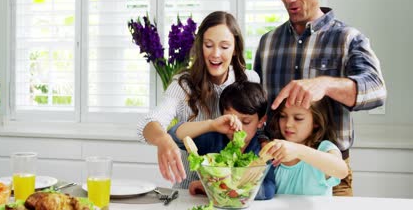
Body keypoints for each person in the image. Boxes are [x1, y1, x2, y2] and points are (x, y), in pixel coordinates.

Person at [253, 0, 386, 196]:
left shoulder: (348, 38)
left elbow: (377, 91)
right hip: (275, 170)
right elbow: (259, 107)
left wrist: (325, 84)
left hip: (330, 175)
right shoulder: (267, 43)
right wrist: (261, 140)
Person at [137, 11, 262, 188]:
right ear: (199, 46)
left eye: (225, 47)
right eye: (208, 45)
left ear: (235, 49)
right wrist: (163, 140)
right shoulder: (183, 85)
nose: (216, 54)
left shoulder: (250, 80)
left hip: (233, 190)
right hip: (190, 189)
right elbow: (148, 123)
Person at [169, 81, 275, 199]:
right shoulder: (213, 138)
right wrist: (211, 125)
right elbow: (173, 136)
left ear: (261, 121)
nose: (237, 128)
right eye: (231, 120)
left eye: (246, 122)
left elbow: (269, 188)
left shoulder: (262, 150)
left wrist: (233, 190)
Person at [265, 97, 349, 195]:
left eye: (298, 118)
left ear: (316, 122)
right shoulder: (274, 149)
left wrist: (298, 151)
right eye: (283, 116)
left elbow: (342, 171)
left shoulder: (324, 148)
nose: (288, 124)